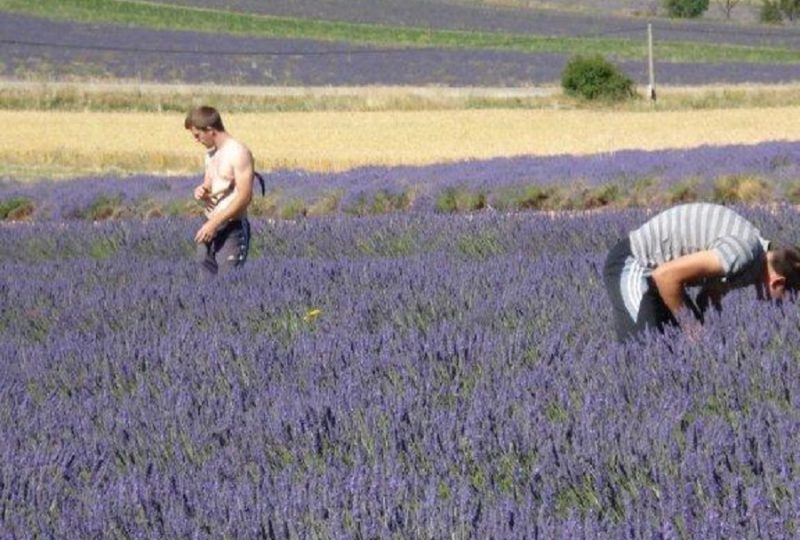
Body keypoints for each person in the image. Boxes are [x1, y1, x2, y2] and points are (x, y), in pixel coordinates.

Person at [603, 202, 800, 342]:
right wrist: (692, 329)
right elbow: (666, 276)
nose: (776, 306)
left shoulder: (751, 264)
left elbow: (706, 297)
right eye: (783, 300)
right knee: (642, 351)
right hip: (635, 264)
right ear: (778, 283)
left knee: (683, 352)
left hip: (660, 277)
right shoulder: (743, 252)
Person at [185, 105, 256, 276]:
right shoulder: (210, 154)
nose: (196, 140)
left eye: (197, 135)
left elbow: (245, 196)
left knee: (228, 283)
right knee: (205, 286)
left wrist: (214, 223)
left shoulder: (238, 153)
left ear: (210, 130)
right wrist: (202, 191)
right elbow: (211, 185)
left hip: (231, 228)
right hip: (209, 224)